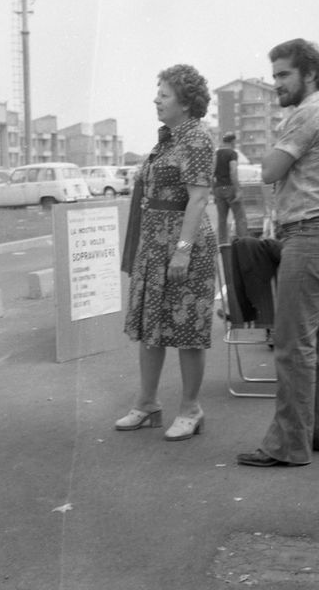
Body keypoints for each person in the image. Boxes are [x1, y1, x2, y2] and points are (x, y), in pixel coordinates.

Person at [236, 38, 319, 467]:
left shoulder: (306, 115)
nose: (277, 84)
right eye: (274, 76)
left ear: (310, 74)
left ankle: (288, 444)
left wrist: (277, 138)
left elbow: (270, 170)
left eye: (284, 74)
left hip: (308, 236)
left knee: (292, 345)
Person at [116, 64, 217, 441]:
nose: (156, 100)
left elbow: (199, 198)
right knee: (151, 326)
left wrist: (182, 251)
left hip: (182, 244)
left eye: (164, 95)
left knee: (187, 329)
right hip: (155, 244)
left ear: (186, 102)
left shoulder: (196, 139)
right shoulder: (168, 140)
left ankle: (191, 409)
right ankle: (147, 404)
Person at [213, 132, 249, 244]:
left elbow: (211, 173)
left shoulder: (216, 154)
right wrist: (238, 190)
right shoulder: (232, 153)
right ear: (233, 141)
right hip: (230, 188)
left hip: (218, 189)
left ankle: (222, 245)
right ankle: (242, 243)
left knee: (222, 220)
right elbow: (233, 172)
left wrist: (214, 190)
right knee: (240, 218)